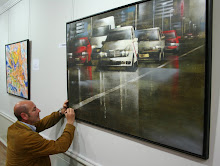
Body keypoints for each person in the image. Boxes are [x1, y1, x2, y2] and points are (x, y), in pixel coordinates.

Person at [6, 100, 75, 166]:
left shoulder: (15, 127)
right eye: (34, 109)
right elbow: (60, 146)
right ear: (24, 116)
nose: (39, 110)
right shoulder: (27, 137)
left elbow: (41, 124)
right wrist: (70, 123)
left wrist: (61, 112)